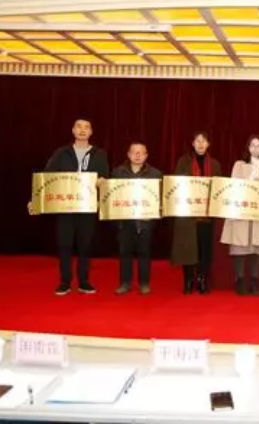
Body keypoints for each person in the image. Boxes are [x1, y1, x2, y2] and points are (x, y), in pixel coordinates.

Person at [35, 118, 109, 296]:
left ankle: (84, 281)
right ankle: (64, 281)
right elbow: (47, 177)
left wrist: (102, 181)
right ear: (73, 131)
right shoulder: (61, 153)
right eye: (79, 127)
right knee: (64, 244)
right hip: (65, 207)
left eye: (86, 127)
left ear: (91, 132)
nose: (82, 130)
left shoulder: (99, 154)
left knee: (85, 245)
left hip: (88, 207)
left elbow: (105, 175)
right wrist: (36, 199)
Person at [220, 135, 259, 296]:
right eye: (252, 145)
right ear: (248, 148)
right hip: (241, 210)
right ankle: (239, 279)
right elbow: (233, 185)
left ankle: (254, 280)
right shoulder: (239, 165)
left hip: (257, 212)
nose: (255, 149)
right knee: (239, 245)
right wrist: (250, 178)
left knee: (257, 246)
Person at [171, 131, 221, 295]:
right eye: (197, 141)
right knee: (187, 248)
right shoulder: (183, 162)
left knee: (204, 249)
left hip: (206, 215)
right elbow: (176, 185)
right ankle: (188, 279)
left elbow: (219, 190)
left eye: (204, 141)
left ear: (208, 144)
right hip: (187, 214)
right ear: (193, 143)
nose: (200, 144)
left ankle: (202, 279)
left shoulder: (214, 164)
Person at [111, 142, 163, 295]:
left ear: (146, 156)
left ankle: (144, 283)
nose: (138, 155)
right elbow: (112, 196)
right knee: (124, 252)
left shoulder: (155, 174)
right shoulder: (118, 173)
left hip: (145, 220)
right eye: (134, 152)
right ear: (128, 155)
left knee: (144, 252)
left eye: (141, 153)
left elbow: (160, 197)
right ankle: (125, 283)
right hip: (124, 220)